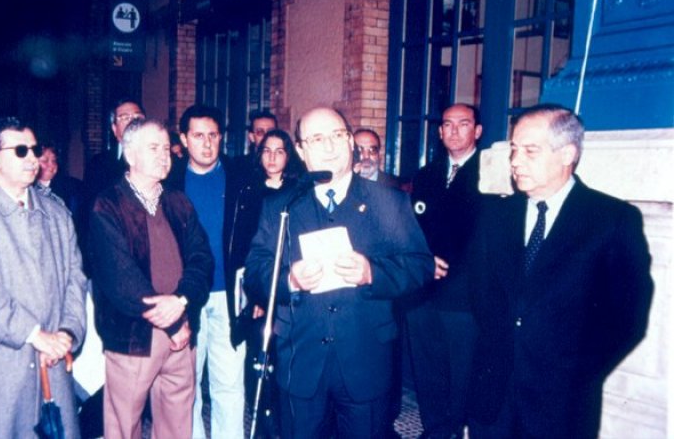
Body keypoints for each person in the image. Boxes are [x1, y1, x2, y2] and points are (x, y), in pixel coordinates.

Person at [244, 106, 434, 438]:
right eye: (317, 139)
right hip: (301, 359)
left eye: (337, 135)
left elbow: (421, 265)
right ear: (301, 150)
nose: (329, 146)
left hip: (366, 358)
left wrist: (372, 272)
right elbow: (255, 273)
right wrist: (289, 279)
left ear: (350, 141)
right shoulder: (282, 206)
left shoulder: (389, 202)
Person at [467, 104, 654, 438]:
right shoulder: (495, 215)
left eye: (530, 151)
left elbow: (628, 317)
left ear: (567, 154)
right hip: (493, 398)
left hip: (562, 406)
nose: (515, 161)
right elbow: (481, 296)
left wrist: (575, 374)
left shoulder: (611, 220)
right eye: (514, 149)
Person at [0, 117, 87, 438]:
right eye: (20, 151)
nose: (33, 158)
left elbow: (75, 279)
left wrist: (66, 333)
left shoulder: (57, 214)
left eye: (34, 149)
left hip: (52, 360)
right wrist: (34, 334)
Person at [89, 119, 213, 438]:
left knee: (177, 425)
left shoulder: (178, 202)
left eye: (166, 149)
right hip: (135, 334)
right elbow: (121, 277)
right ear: (130, 155)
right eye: (153, 148)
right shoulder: (108, 204)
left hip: (182, 328)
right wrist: (172, 323)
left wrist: (182, 302)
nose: (164, 156)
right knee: (124, 426)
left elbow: (202, 258)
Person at [165, 104, 247, 439]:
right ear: (184, 139)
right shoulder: (168, 181)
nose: (207, 143)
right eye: (198, 136)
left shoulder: (241, 178)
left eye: (213, 135)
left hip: (230, 295)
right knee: (187, 384)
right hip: (187, 295)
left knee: (229, 383)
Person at [407, 103, 486, 439]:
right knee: (428, 369)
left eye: (463, 124)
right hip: (424, 289)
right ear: (439, 132)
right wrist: (423, 262)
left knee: (462, 370)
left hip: (465, 294)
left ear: (477, 131)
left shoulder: (490, 174)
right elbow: (413, 229)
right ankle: (435, 430)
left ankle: (456, 431)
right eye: (447, 125)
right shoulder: (426, 175)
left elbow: (489, 237)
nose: (454, 131)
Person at [230, 129, 305, 435]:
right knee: (259, 364)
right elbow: (244, 248)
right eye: (267, 150)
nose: (273, 157)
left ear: (289, 156)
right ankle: (264, 427)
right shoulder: (247, 192)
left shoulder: (299, 192)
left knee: (287, 364)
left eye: (280, 151)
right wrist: (257, 296)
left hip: (289, 288)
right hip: (257, 289)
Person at [83, 99, 145, 204]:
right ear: (114, 129)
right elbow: (90, 205)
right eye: (125, 118)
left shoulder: (161, 159)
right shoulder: (98, 164)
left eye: (137, 117)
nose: (133, 122)